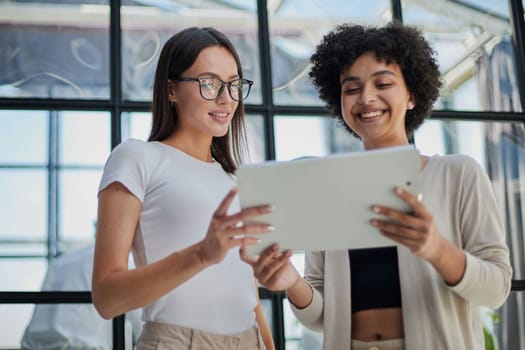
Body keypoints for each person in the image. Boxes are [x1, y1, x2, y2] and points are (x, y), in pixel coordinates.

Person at [241, 22, 512, 349]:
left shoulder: (458, 173)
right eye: (351, 88)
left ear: (411, 94)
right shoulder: (327, 188)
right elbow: (320, 316)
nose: (366, 98)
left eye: (383, 83)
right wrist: (291, 282)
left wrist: (436, 250)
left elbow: (496, 289)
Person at [92, 26, 275, 350]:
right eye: (209, 83)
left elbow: (250, 297)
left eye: (233, 85)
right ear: (171, 90)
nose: (226, 98)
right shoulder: (138, 158)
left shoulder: (234, 180)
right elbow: (107, 298)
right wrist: (202, 254)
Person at [21, 244, 142, 350]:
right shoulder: (123, 263)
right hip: (81, 345)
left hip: (34, 343)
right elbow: (141, 323)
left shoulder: (64, 259)